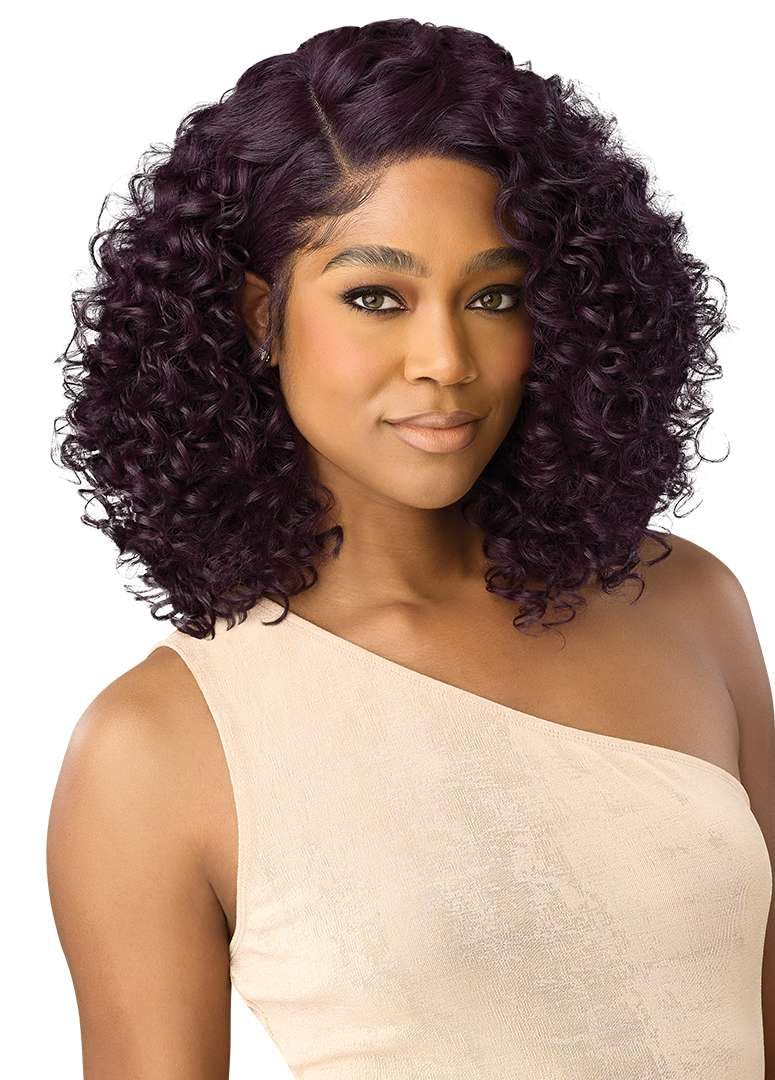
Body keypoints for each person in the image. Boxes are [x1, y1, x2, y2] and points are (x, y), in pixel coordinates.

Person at [46, 17, 774, 1079]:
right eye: (375, 297)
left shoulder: (684, 603)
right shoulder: (157, 748)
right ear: (259, 317)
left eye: (494, 295)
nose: (445, 358)